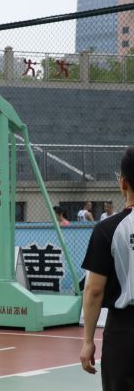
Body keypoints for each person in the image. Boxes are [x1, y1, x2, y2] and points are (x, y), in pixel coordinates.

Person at [80, 146, 134, 391]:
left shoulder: (107, 229)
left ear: (123, 183)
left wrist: (88, 340)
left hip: (124, 330)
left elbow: (93, 290)